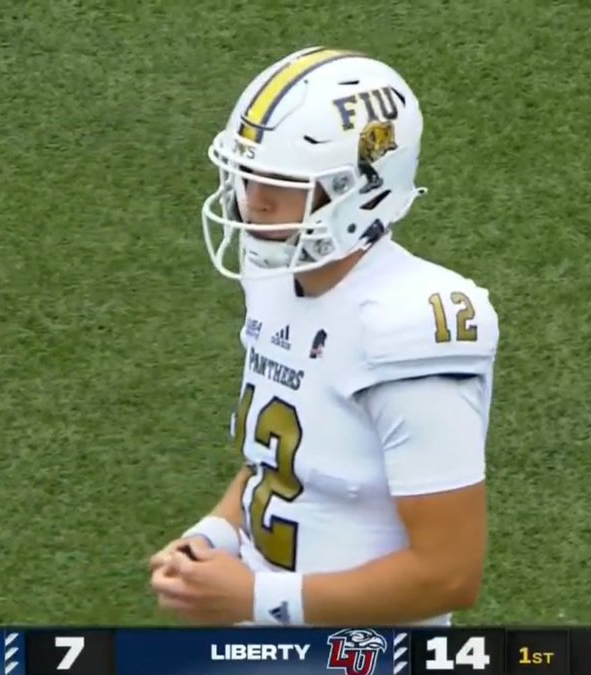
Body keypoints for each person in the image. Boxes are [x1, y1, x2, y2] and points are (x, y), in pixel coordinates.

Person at [148, 46, 500, 626]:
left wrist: (254, 600)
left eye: (280, 183)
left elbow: (450, 574)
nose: (253, 200)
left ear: (358, 192)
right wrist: (212, 537)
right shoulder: (275, 276)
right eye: (246, 173)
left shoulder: (412, 324)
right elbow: (287, 463)